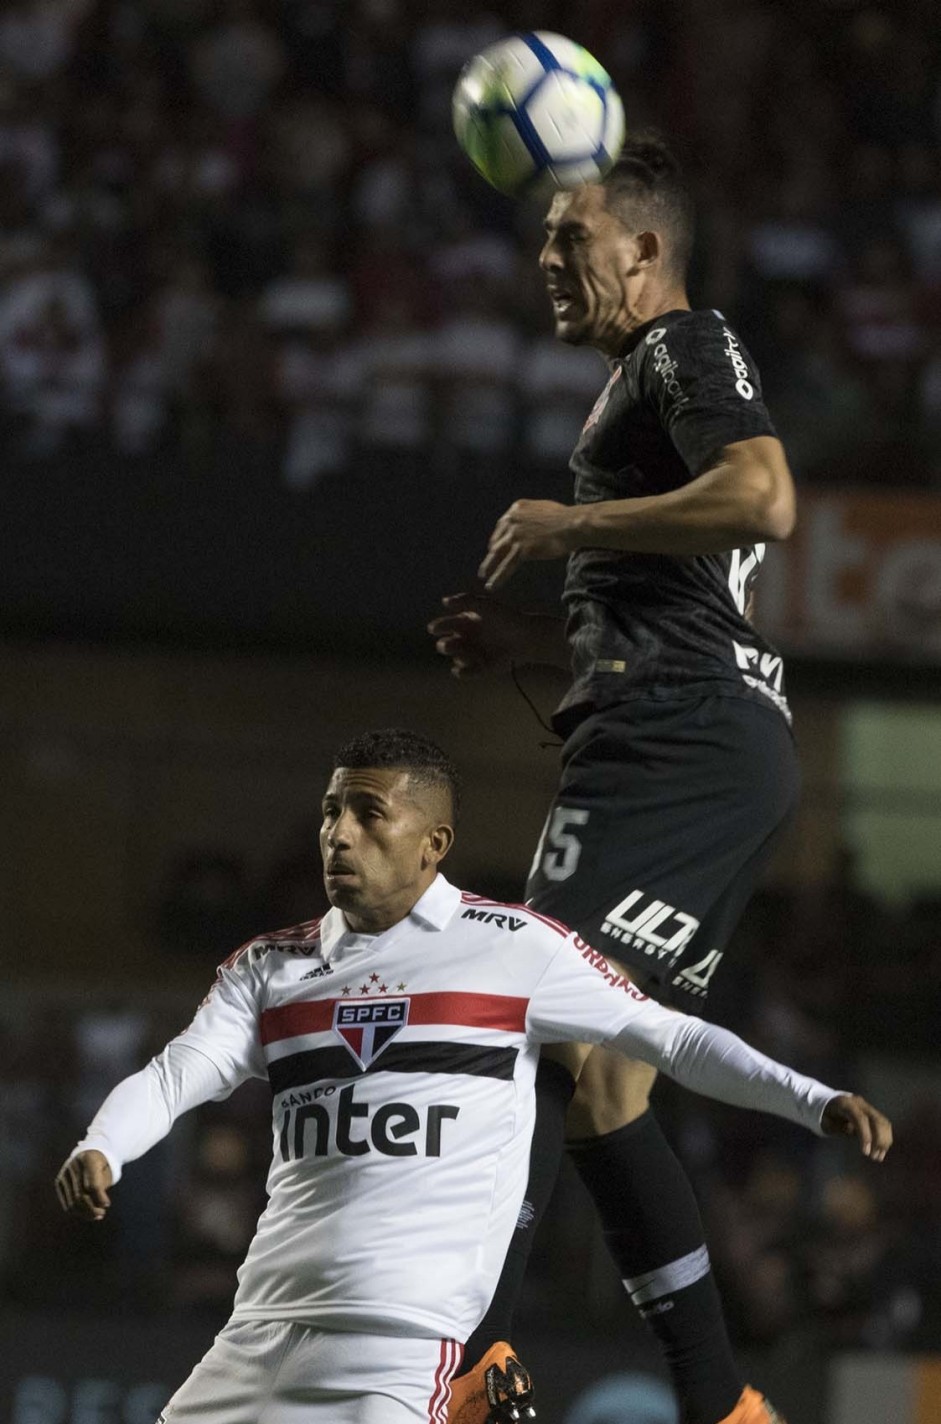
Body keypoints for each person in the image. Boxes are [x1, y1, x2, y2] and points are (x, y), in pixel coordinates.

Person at [56, 728, 891, 1424]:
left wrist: (810, 1099)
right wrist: (105, 1145)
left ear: (434, 843)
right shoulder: (271, 967)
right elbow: (176, 1075)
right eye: (329, 812)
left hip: (399, 1351)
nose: (338, 834)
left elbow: (670, 1039)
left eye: (366, 813)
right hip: (254, 1335)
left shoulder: (513, 948)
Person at [429, 136, 810, 1424]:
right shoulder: (642, 379)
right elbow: (688, 597)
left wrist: (567, 524)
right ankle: (720, 1401)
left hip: (676, 742)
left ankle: (469, 1359)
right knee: (605, 1080)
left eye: (567, 238)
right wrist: (534, 643)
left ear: (643, 248)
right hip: (707, 737)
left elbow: (762, 497)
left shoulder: (678, 349)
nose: (544, 261)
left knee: (524, 1020)